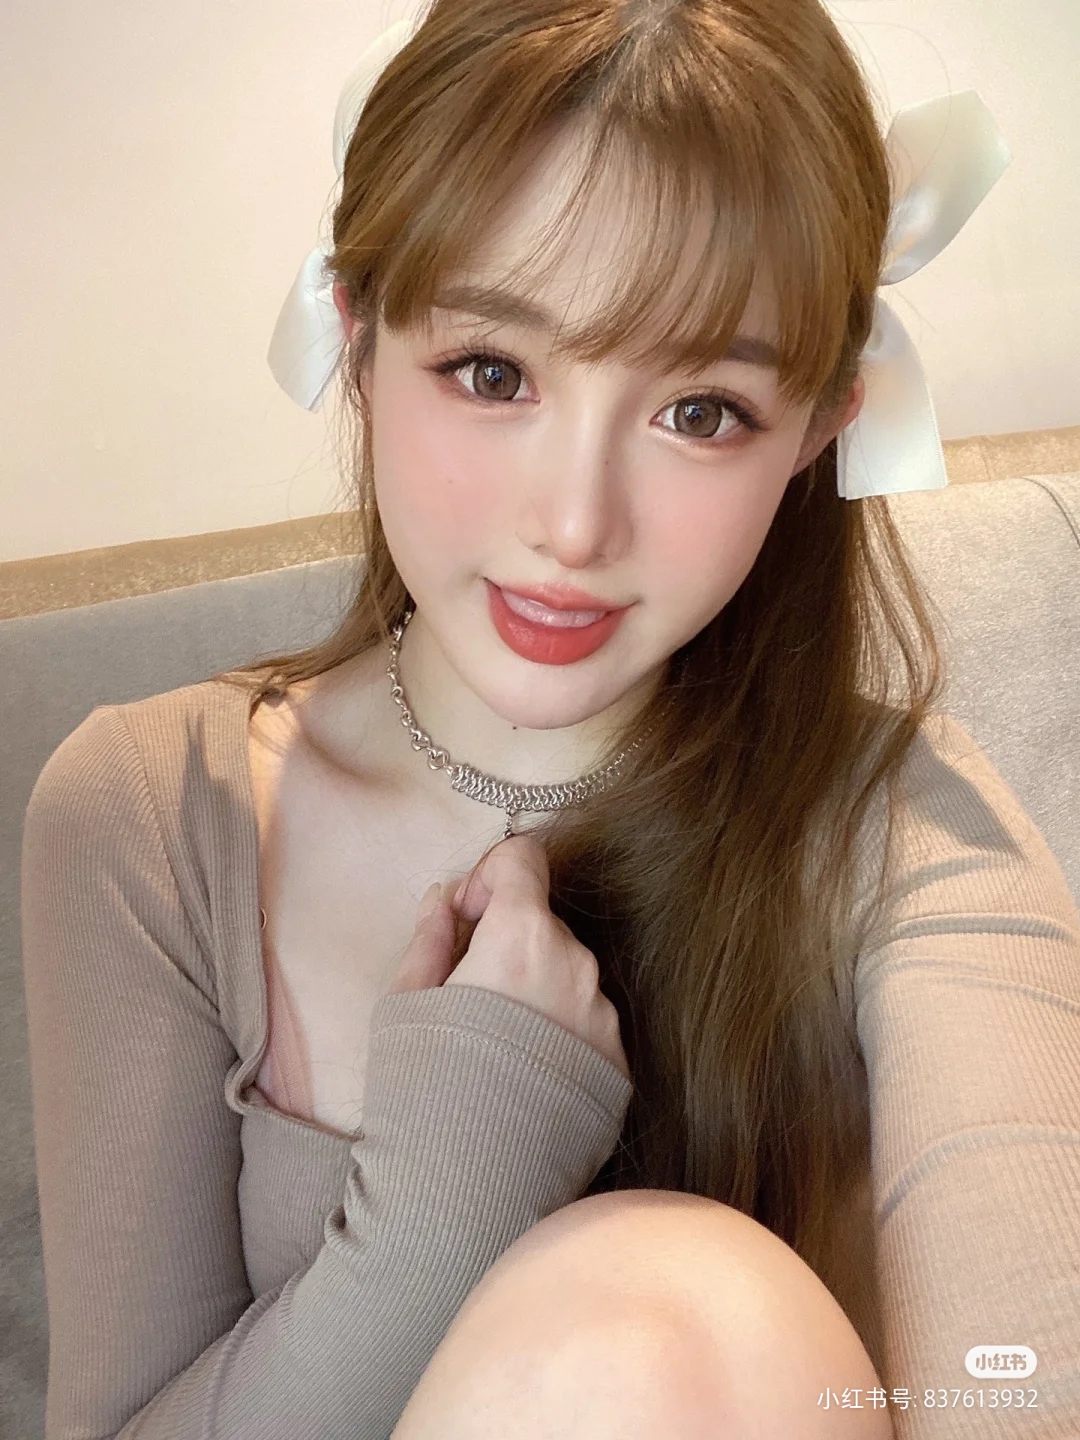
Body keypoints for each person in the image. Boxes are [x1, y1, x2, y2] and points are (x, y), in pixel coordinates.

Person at [19, 1, 1078, 1437]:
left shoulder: (905, 825)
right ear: (357, 335)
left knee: (663, 1311)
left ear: (820, 427)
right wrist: (454, 1187)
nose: (576, 527)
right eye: (493, 373)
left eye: (700, 411)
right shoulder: (153, 812)